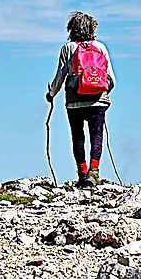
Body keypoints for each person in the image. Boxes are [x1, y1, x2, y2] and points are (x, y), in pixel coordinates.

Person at [46, 11, 116, 187]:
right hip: (98, 100)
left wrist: (51, 94)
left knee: (78, 137)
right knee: (96, 135)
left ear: (72, 29)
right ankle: (94, 172)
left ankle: (82, 174)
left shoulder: (67, 49)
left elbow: (60, 76)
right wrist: (103, 92)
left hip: (74, 99)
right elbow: (111, 78)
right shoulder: (101, 47)